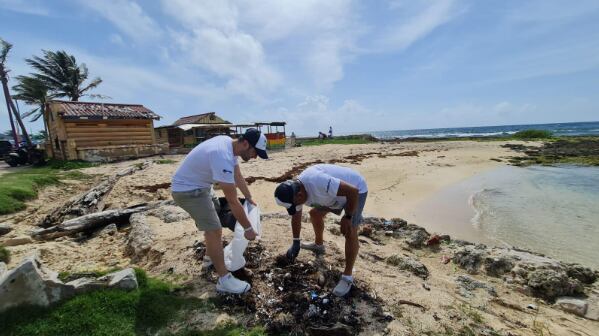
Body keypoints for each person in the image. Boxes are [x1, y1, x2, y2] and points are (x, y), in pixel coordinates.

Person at [171, 128, 268, 294]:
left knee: (215, 216)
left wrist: (249, 197)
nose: (255, 156)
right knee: (214, 229)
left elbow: (237, 175)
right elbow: (232, 200)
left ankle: (209, 259)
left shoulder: (230, 145)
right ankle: (224, 280)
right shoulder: (222, 156)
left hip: (202, 187)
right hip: (188, 191)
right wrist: (248, 229)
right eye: (255, 152)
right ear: (245, 143)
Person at [273, 164, 368, 296]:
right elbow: (296, 216)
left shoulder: (317, 182)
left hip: (355, 190)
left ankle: (347, 277)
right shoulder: (295, 192)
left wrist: (348, 216)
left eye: (294, 204)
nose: (295, 207)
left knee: (350, 230)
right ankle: (319, 245)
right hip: (332, 197)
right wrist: (295, 242)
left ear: (299, 195)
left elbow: (353, 191)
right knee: (315, 214)